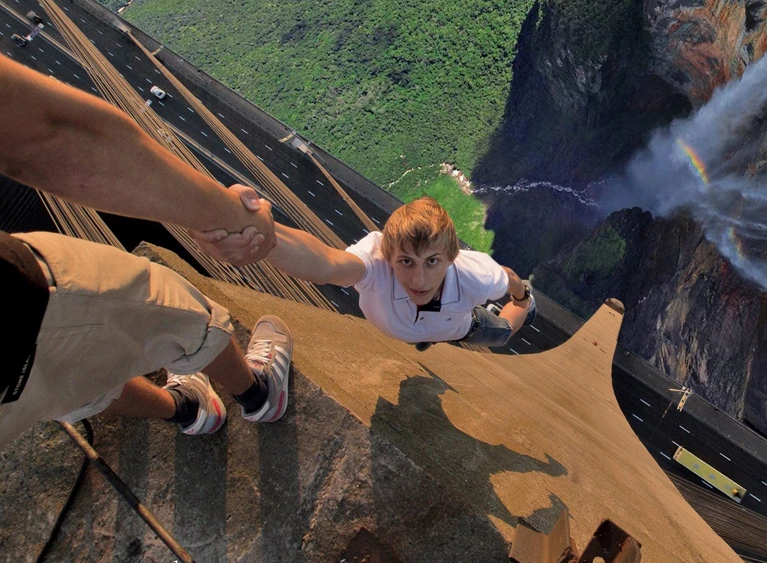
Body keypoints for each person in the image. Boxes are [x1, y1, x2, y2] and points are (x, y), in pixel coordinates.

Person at [0, 53, 292, 447]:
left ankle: (187, 409)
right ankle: (258, 393)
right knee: (169, 308)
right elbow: (49, 134)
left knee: (63, 387)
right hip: (18, 303)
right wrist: (230, 218)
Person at [200, 196, 535, 349]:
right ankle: (424, 338)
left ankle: (526, 307)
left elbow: (506, 276)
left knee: (502, 333)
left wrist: (521, 296)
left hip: (462, 327)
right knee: (425, 333)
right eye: (406, 262)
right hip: (429, 328)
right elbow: (326, 264)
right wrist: (266, 239)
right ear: (387, 255)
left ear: (452, 257)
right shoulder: (375, 262)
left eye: (431, 261)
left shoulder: (474, 272)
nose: (418, 280)